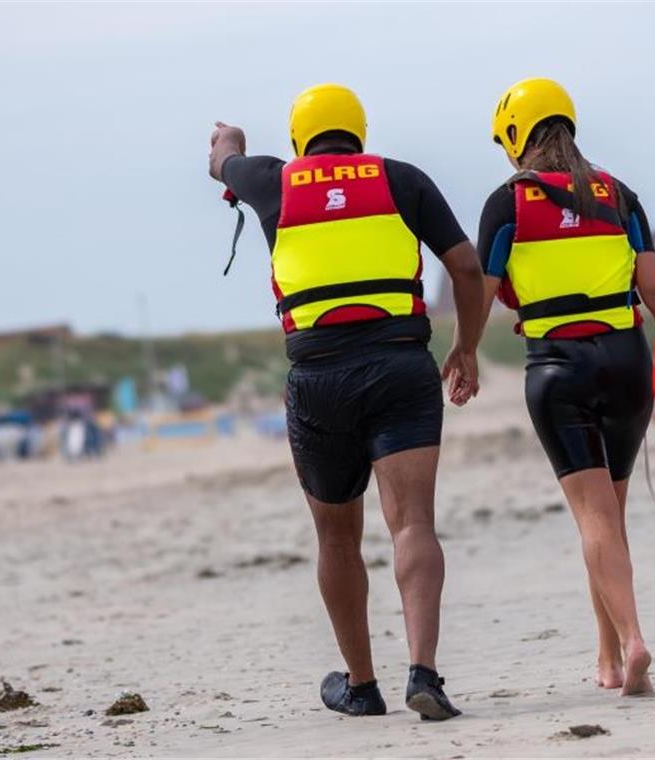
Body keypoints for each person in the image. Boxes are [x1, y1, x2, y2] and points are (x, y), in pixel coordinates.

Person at [208, 83, 484, 720]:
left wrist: (232, 144)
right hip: (401, 367)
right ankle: (426, 673)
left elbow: (220, 156)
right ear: (360, 132)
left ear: (302, 139)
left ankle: (361, 686)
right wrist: (466, 347)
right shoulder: (401, 179)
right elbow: (466, 268)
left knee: (336, 538)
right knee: (412, 521)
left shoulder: (274, 181)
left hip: (318, 377)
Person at [463, 78, 655, 696]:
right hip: (629, 365)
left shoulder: (510, 202)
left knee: (594, 519)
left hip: (558, 369)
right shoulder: (618, 194)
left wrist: (463, 350)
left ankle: (633, 641)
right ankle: (606, 658)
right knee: (607, 518)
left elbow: (480, 287)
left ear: (515, 136)